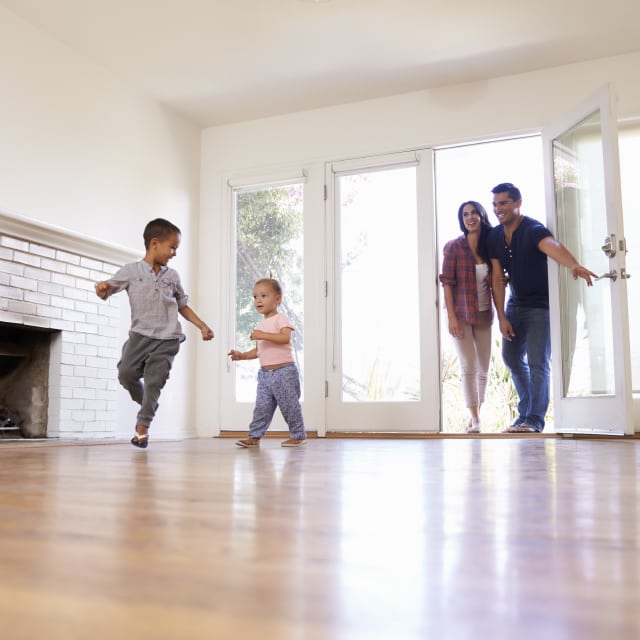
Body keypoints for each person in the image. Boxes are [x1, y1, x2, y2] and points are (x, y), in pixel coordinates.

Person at [487, 183, 597, 433]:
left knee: (538, 362)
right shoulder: (494, 236)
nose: (498, 209)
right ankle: (525, 414)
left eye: (503, 203)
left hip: (540, 307)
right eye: (495, 204)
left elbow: (552, 246)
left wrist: (574, 265)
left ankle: (534, 420)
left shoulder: (533, 229)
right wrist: (501, 316)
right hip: (515, 305)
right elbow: (496, 277)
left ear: (517, 203)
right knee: (511, 358)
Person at [95, 218, 214, 448]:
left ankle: (142, 429)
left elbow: (182, 305)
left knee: (153, 381)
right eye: (172, 247)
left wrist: (202, 325)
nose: (174, 253)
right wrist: (101, 289)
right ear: (154, 243)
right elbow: (106, 290)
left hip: (168, 338)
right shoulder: (131, 271)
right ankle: (149, 404)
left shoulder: (173, 277)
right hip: (140, 335)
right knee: (125, 374)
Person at [228, 278, 307, 448]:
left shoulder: (281, 319)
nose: (258, 300)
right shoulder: (261, 324)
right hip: (265, 375)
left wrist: (263, 335)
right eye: (255, 297)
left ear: (277, 299)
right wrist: (241, 355)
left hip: (283, 372)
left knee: (289, 406)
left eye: (263, 296)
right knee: (261, 407)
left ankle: (298, 435)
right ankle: (254, 436)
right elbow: (259, 351)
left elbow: (285, 338)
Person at [439, 201, 494, 433]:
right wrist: (451, 317)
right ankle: (475, 418)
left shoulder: (490, 247)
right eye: (465, 214)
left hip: (483, 313)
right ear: (461, 219)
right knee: (468, 365)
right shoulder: (453, 247)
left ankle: (476, 415)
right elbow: (447, 284)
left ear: (482, 216)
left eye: (474, 213)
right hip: (460, 313)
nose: (470, 217)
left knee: (483, 367)